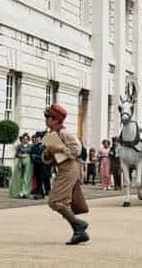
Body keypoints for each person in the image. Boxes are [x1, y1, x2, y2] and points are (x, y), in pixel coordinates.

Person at [42, 103, 89, 245]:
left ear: (55, 119)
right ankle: (79, 231)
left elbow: (77, 150)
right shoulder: (51, 134)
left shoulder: (64, 133)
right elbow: (48, 159)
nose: (46, 119)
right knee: (62, 203)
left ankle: (79, 225)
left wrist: (59, 149)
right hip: (62, 169)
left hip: (69, 169)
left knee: (55, 201)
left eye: (48, 117)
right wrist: (48, 153)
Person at [9, 133, 33, 199]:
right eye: (24, 139)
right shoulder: (19, 146)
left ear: (28, 140)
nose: (25, 140)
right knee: (18, 177)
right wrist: (20, 155)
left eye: (26, 139)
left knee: (26, 177)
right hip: (20, 162)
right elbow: (16, 155)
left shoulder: (31, 146)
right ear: (22, 139)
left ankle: (25, 192)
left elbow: (32, 154)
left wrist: (27, 156)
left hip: (28, 162)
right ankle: (18, 192)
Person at [30, 132, 50, 199]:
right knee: (38, 180)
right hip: (36, 166)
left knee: (43, 180)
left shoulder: (46, 147)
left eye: (37, 138)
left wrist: (38, 157)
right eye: (36, 138)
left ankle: (43, 192)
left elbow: (47, 157)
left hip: (44, 166)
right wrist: (39, 157)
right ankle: (40, 193)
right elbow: (32, 156)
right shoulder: (34, 147)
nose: (36, 139)